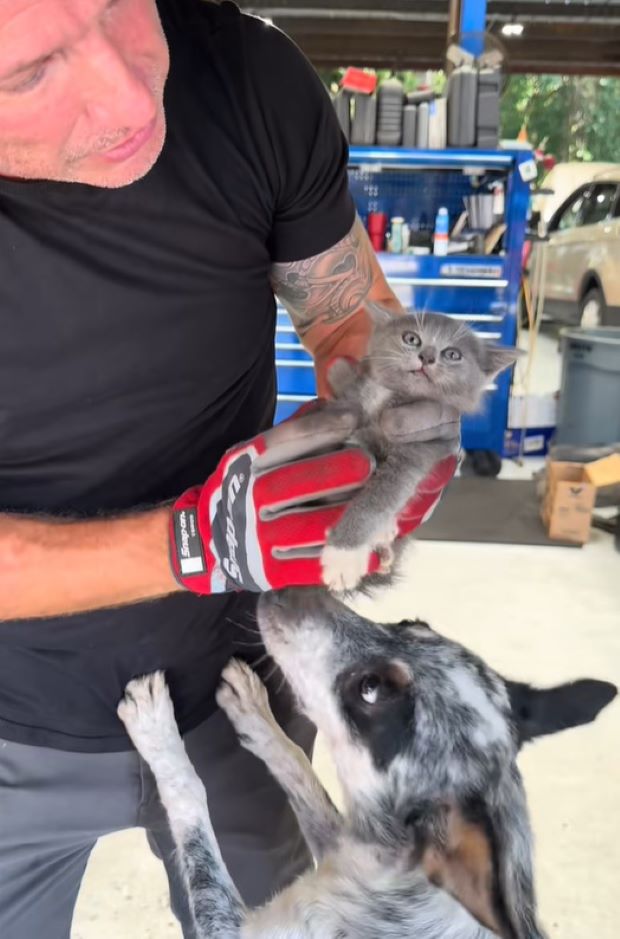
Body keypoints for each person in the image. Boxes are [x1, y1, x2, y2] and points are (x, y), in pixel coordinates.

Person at [0, 2, 458, 937]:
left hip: (241, 692)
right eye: (28, 71)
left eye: (121, 7)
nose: (130, 94)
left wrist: (386, 402)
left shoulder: (248, 77)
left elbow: (345, 315)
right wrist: (197, 540)